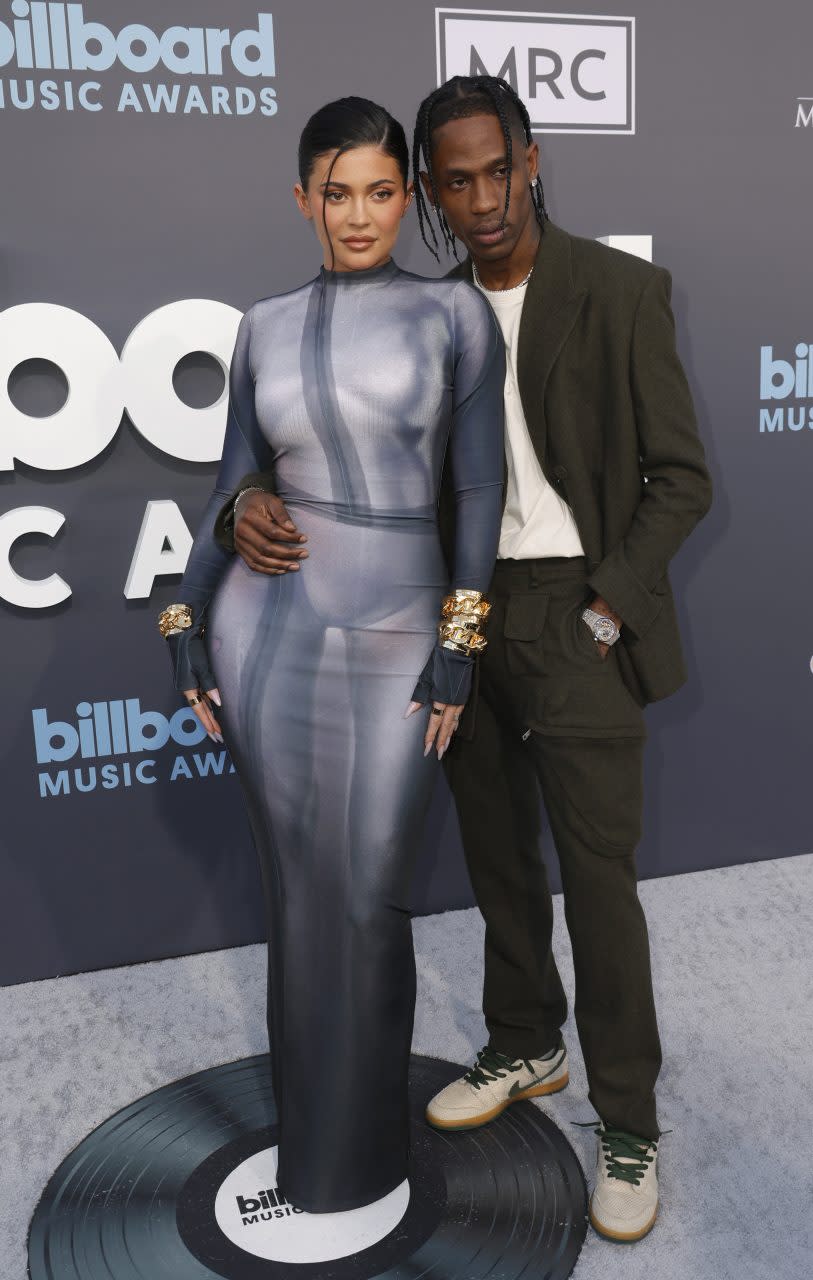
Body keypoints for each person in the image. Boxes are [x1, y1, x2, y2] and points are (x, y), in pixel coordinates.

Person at [216, 76, 712, 1242]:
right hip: (457, 612)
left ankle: (629, 1120)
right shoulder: (423, 313)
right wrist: (243, 494)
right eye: (455, 179)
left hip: (578, 609)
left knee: (597, 880)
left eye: (499, 170)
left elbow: (680, 478)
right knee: (494, 853)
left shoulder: (621, 290)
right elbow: (311, 458)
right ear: (426, 192)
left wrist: (606, 608)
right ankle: (528, 1040)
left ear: (531, 161)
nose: (482, 198)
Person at [158, 95, 505, 1214]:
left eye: (382, 191)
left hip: (404, 633)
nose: (359, 215)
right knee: (301, 900)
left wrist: (460, 643)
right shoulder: (261, 324)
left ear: (408, 195)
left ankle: (365, 1157)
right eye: (336, 192)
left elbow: (476, 489)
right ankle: (316, 1157)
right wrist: (184, 621)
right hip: (271, 634)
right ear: (302, 198)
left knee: (365, 896)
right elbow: (229, 493)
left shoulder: (454, 318)